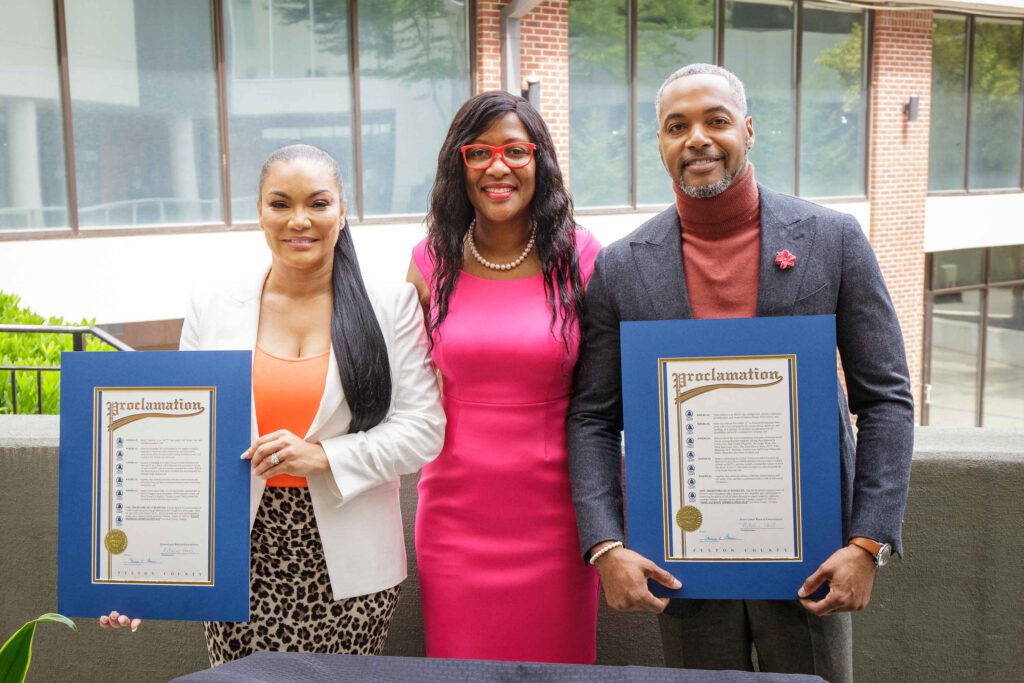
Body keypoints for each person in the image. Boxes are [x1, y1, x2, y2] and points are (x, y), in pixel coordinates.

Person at [567, 63, 914, 682]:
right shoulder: (621, 268)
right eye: (678, 126)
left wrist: (868, 543)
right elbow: (593, 416)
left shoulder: (832, 239)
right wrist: (605, 546)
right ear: (661, 146)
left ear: (748, 131)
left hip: (814, 565)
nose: (696, 137)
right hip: (684, 571)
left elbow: (885, 399)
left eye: (715, 120)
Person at [100, 144, 446, 665]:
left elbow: (423, 429)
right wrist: (146, 577)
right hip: (239, 558)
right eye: (280, 203)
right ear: (258, 210)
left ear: (343, 210)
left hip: (353, 563)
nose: (298, 220)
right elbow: (180, 447)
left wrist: (324, 456)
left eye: (318, 203)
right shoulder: (212, 305)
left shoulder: (389, 304)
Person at [406, 91, 602, 663]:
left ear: (538, 161)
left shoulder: (582, 258)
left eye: (516, 151)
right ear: (458, 165)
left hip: (559, 521)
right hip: (454, 520)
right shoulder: (427, 262)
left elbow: (608, 396)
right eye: (479, 152)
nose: (498, 167)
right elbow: (402, 393)